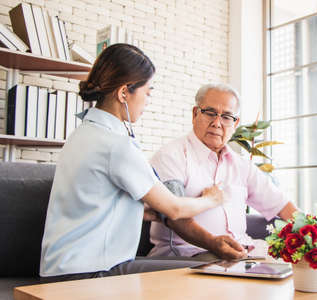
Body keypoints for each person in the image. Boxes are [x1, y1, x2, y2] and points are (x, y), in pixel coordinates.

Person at [39, 44, 224, 282]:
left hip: (60, 270)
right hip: (91, 274)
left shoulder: (81, 135)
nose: (148, 101)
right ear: (124, 92)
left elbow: (94, 205)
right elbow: (175, 209)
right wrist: (212, 199)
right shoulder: (116, 145)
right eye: (148, 92)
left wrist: (147, 213)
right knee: (207, 276)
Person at [148, 83, 298, 261]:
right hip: (189, 256)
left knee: (292, 269)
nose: (217, 123)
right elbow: (174, 215)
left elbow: (282, 206)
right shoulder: (171, 156)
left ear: (235, 123)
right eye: (210, 113)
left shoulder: (242, 166)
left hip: (241, 253)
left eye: (226, 116)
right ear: (195, 114)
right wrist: (214, 244)